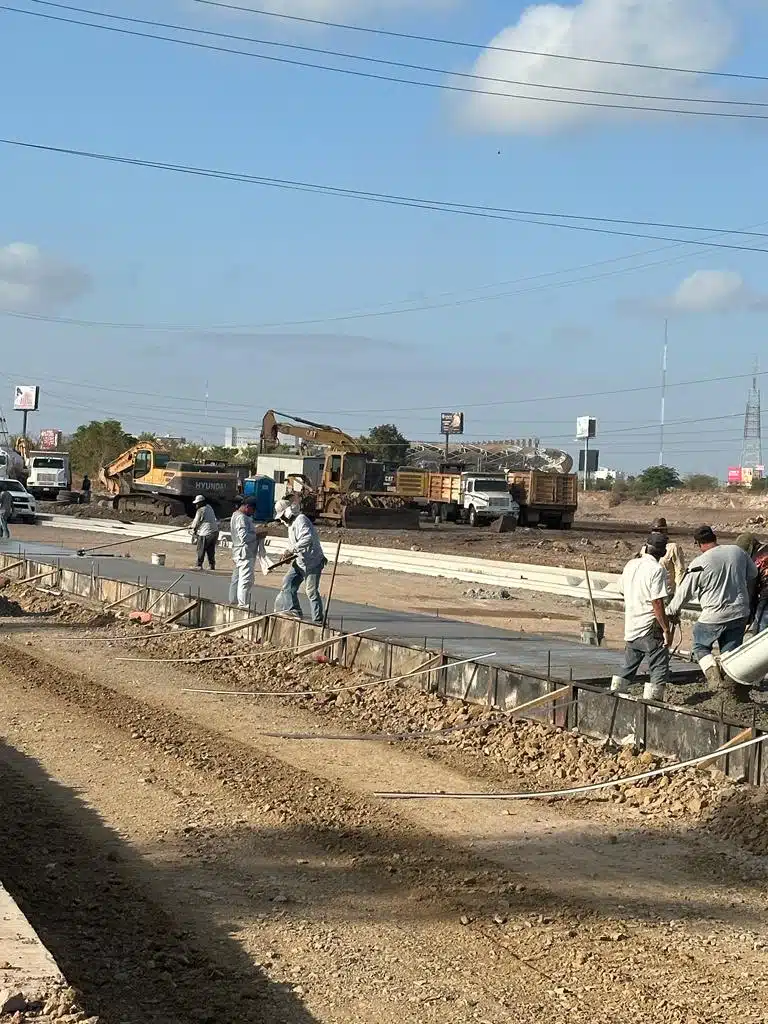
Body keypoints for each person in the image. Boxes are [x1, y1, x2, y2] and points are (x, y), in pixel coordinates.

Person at [668, 525, 757, 696]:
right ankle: (731, 688)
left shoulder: (699, 563)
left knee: (700, 645)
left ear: (699, 544)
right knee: (729, 652)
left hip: (714, 615)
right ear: (714, 538)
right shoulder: (738, 552)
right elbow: (752, 574)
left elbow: (684, 592)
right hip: (740, 612)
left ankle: (715, 681)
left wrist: (671, 610)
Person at [611, 532, 672, 702]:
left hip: (632, 626)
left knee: (627, 667)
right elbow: (657, 602)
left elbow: (622, 589)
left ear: (645, 547)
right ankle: (653, 704)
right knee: (659, 665)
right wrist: (666, 629)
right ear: (662, 552)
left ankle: (614, 697)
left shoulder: (631, 564)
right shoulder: (657, 570)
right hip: (649, 627)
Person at [273, 497, 327, 624]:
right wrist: (287, 554)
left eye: (282, 516)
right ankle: (294, 610)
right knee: (288, 582)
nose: (282, 520)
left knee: (311, 591)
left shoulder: (300, 520)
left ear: (287, 512)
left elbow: (307, 539)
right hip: (300, 561)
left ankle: (318, 620)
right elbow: (293, 544)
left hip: (313, 562)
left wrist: (291, 550)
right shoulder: (291, 525)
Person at [229, 497, 262, 609]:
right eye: (253, 510)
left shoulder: (237, 516)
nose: (253, 513)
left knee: (241, 578)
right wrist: (256, 535)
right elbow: (244, 537)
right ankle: (242, 604)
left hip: (242, 552)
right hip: (244, 553)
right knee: (245, 579)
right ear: (248, 507)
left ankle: (235, 600)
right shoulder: (241, 518)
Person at [640, 517, 686, 592]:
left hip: (666, 592)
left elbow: (679, 570)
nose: (657, 533)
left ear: (665, 531)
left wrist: (679, 591)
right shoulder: (645, 547)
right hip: (648, 591)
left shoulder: (672, 547)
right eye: (654, 530)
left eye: (660, 530)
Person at [735, 532, 768, 633]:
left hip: (766, 595)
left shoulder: (756, 560)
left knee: (760, 631)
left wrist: (748, 613)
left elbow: (751, 589)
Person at [190, 494, 219, 570]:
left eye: (197, 504)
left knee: (201, 549)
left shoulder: (201, 510)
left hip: (206, 533)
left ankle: (198, 565)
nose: (196, 505)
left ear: (201, 503)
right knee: (210, 549)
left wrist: (192, 528)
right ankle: (211, 565)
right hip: (214, 532)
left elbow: (196, 522)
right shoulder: (209, 507)